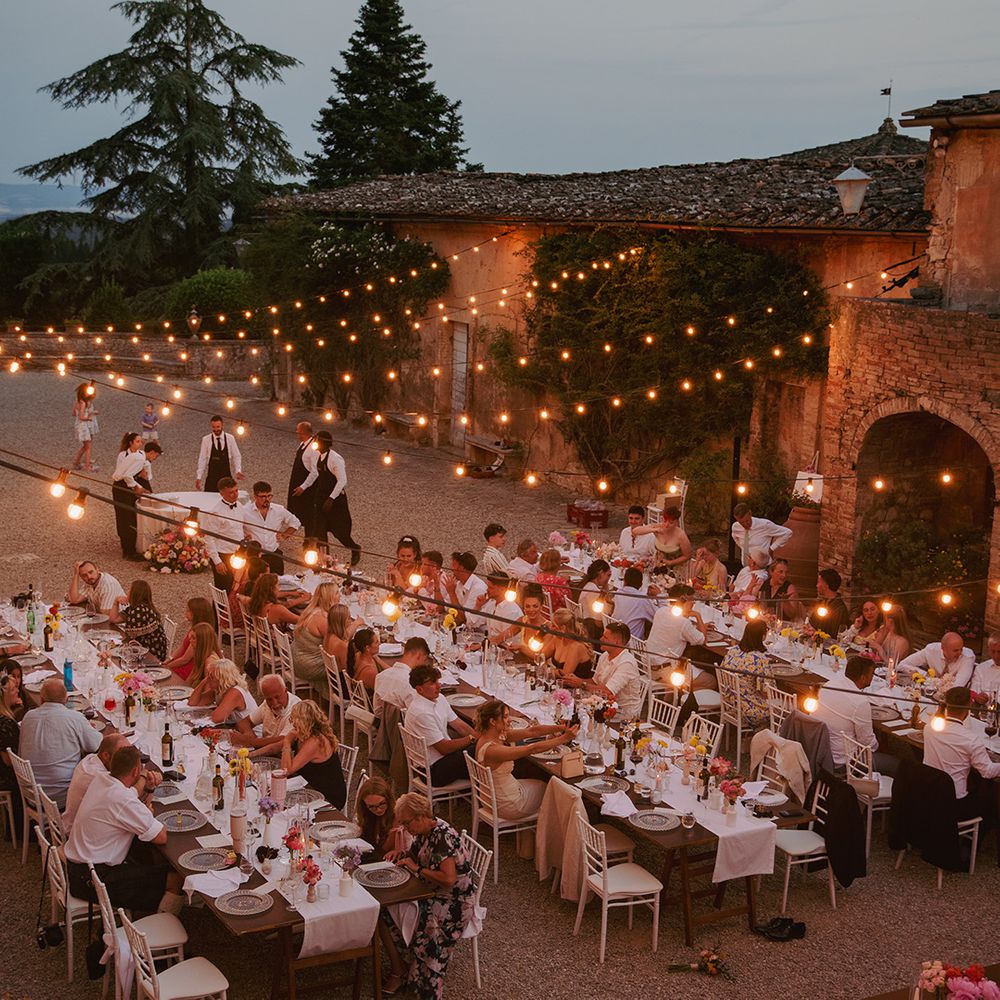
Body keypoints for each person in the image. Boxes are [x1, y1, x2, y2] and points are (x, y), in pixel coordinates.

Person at [65, 745, 184, 914]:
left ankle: (148, 901)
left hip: (79, 868)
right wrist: (146, 813)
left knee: (149, 852)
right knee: (175, 878)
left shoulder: (102, 780)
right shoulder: (122, 800)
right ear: (136, 771)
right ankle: (162, 924)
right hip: (94, 880)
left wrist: (147, 787)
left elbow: (132, 794)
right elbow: (161, 837)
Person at [382, 792, 478, 1000]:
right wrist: (402, 855)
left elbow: (448, 878)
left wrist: (416, 869)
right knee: (388, 910)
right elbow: (415, 855)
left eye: (407, 823)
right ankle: (411, 969)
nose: (406, 829)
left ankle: (426, 988)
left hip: (455, 902)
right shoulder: (425, 831)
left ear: (419, 816)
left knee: (426, 927)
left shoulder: (442, 836)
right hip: (432, 893)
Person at [474, 699, 575, 820]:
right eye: (505, 717)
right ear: (493, 721)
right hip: (508, 804)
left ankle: (530, 832)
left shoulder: (491, 737)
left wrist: (561, 727)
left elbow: (532, 731)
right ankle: (551, 830)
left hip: (491, 798)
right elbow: (531, 749)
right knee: (556, 792)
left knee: (545, 784)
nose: (510, 720)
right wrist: (564, 738)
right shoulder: (492, 750)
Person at [18, 678, 101, 808]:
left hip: (32, 794)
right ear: (66, 700)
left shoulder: (28, 717)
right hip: (63, 796)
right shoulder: (75, 718)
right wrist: (88, 728)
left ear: (41, 699)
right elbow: (96, 745)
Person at [812, 655, 898, 776]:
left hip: (820, 751)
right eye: (872, 674)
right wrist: (881, 746)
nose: (873, 678)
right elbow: (867, 743)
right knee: (898, 765)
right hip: (843, 761)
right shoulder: (860, 703)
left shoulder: (829, 685)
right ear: (863, 678)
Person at [924, 687, 1000, 820]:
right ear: (969, 705)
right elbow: (987, 772)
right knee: (990, 807)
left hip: (928, 792)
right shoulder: (970, 739)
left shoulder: (929, 727)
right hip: (953, 803)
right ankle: (968, 839)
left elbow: (938, 719)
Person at [403, 665, 476, 785]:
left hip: (444, 759)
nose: (439, 685)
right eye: (432, 683)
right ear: (419, 689)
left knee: (484, 748)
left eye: (437, 681)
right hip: (432, 771)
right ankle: (492, 790)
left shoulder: (440, 698)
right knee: (482, 752)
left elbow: (460, 726)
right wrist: (472, 738)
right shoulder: (421, 712)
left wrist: (480, 737)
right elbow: (444, 748)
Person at [301, 430, 361, 566]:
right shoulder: (318, 456)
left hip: (335, 501)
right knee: (320, 531)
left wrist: (331, 498)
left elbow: (342, 481)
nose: (315, 444)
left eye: (317, 441)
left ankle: (355, 548)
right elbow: (316, 473)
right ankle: (325, 559)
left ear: (325, 443)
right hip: (322, 499)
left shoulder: (335, 459)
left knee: (340, 532)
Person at [280, 700, 346, 809]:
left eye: (294, 719)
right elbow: (279, 753)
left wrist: (286, 742)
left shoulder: (315, 741)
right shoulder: (304, 735)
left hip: (327, 796)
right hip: (309, 788)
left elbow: (285, 771)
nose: (292, 723)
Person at [62, 733, 133, 833]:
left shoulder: (90, 759)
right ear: (105, 755)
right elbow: (127, 794)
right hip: (76, 833)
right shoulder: (99, 777)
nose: (127, 761)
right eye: (122, 756)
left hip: (73, 821)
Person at [584, 621, 644, 719]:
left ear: (616, 642)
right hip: (604, 706)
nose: (600, 639)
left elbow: (607, 692)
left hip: (623, 716)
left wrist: (581, 684)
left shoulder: (626, 663)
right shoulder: (605, 656)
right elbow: (595, 682)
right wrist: (576, 680)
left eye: (605, 637)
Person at [718, 619, 771, 727]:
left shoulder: (732, 650)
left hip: (730, 703)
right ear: (762, 636)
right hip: (748, 710)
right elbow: (768, 691)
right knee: (782, 708)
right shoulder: (759, 659)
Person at [231, 675, 301, 755]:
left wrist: (250, 742)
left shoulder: (296, 709)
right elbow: (244, 722)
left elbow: (284, 740)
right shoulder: (266, 704)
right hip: (263, 751)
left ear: (286, 690)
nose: (274, 703)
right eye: (269, 699)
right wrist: (249, 735)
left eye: (277, 697)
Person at [242, 480, 301, 574]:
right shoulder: (245, 511)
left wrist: (284, 535)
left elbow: (295, 522)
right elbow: (236, 527)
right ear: (255, 497)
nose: (267, 499)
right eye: (263, 496)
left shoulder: (279, 510)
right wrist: (244, 536)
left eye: (269, 496)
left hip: (274, 555)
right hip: (254, 557)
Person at [291, 581, 341, 685]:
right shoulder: (323, 618)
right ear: (329, 597)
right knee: (346, 659)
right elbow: (337, 643)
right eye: (336, 593)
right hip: (309, 667)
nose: (339, 595)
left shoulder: (311, 610)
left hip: (297, 659)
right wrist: (356, 625)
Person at [203, 477, 248, 592]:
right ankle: (218, 610)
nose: (235, 494)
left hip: (239, 553)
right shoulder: (216, 512)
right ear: (222, 494)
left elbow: (241, 527)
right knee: (224, 589)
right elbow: (209, 538)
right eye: (231, 492)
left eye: (236, 491)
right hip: (223, 555)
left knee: (239, 587)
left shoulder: (240, 506)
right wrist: (217, 562)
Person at [111, 432, 151, 560]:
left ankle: (134, 546)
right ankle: (126, 548)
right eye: (137, 441)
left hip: (133, 486)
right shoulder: (123, 455)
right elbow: (123, 473)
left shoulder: (141, 456)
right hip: (125, 487)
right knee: (124, 517)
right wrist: (136, 484)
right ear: (131, 443)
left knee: (134, 516)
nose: (140, 444)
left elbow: (147, 474)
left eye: (141, 441)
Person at [108, 579, 168, 660]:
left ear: (134, 594)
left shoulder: (140, 610)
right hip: (144, 648)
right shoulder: (135, 607)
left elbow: (129, 637)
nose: (127, 592)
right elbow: (113, 619)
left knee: (114, 655)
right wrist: (116, 602)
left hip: (151, 653)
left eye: (130, 590)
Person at [373, 637, 432, 717]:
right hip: (402, 726)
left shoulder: (380, 676)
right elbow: (417, 715)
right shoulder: (412, 685)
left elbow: (377, 711)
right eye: (424, 660)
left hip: (380, 724)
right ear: (418, 656)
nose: (424, 665)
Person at [188, 658, 258, 725]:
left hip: (253, 732)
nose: (208, 679)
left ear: (222, 680)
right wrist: (204, 681)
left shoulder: (235, 692)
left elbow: (216, 718)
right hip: (238, 727)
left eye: (211, 677)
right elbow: (192, 702)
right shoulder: (220, 688)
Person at [161, 599, 217, 681]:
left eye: (188, 611)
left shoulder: (199, 634)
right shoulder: (193, 628)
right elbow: (182, 647)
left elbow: (185, 659)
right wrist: (170, 659)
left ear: (195, 614)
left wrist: (168, 667)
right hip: (180, 663)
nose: (185, 613)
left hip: (187, 669)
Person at [355, 776, 408, 861]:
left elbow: (386, 849)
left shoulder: (397, 815)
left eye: (382, 804)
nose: (378, 810)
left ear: (388, 799)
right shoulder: (367, 814)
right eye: (371, 806)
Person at [899, 632, 976, 691]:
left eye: (961, 649)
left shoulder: (968, 657)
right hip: (928, 691)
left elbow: (957, 687)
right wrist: (923, 675)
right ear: (943, 648)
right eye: (955, 650)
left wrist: (929, 680)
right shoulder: (931, 650)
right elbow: (902, 665)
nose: (960, 653)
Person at [630, 505, 691, 575]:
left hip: (674, 570)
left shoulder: (681, 535)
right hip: (657, 567)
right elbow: (635, 531)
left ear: (676, 522)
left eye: (671, 522)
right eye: (665, 521)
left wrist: (671, 562)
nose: (667, 525)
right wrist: (653, 530)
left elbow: (687, 556)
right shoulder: (658, 527)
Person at [731, 503, 793, 568]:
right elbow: (735, 538)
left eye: (747, 521)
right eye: (742, 523)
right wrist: (743, 547)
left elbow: (787, 532)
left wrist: (772, 548)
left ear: (750, 513)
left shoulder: (764, 525)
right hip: (745, 567)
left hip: (763, 567)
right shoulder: (735, 527)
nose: (745, 524)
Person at [195, 414, 243, 492]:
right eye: (213, 427)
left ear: (222, 425)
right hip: (212, 478)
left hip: (226, 477)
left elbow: (236, 455)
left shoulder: (230, 438)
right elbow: (202, 459)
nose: (216, 429)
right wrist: (199, 477)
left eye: (218, 427)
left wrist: (238, 470)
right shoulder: (206, 440)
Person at [493, 584, 547, 653]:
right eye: (527, 606)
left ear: (541, 606)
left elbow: (543, 655)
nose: (531, 610)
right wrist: (481, 645)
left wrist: (521, 648)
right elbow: (499, 638)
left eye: (535, 606)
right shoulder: (523, 620)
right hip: (522, 662)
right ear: (523, 607)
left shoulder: (547, 626)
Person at [543, 609, 594, 681]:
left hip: (576, 689)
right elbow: (541, 657)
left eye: (554, 626)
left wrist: (548, 670)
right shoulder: (557, 640)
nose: (551, 628)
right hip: (559, 684)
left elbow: (565, 675)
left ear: (563, 628)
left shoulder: (576, 647)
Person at [0, 668, 23, 827]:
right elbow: (8, 761)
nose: (18, 690)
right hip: (5, 775)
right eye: (14, 689)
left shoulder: (5, 716)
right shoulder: (5, 724)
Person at [611, 567, 658, 640]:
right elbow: (660, 616)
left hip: (613, 636)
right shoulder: (642, 599)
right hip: (631, 643)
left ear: (624, 581)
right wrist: (659, 596)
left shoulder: (618, 593)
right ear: (641, 585)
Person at [444, 551, 488, 628]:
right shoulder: (458, 584)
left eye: (453, 565)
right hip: (461, 626)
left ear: (462, 568)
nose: (451, 569)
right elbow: (446, 606)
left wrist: (452, 593)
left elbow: (463, 617)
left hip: (477, 631)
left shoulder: (478, 588)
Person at [805, 569, 850, 636]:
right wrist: (809, 629)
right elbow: (812, 623)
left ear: (825, 585)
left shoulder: (839, 609)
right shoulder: (821, 603)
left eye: (818, 582)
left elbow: (835, 636)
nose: (816, 585)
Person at [286, 420, 316, 524]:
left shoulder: (313, 448)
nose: (296, 432)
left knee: (307, 513)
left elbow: (315, 472)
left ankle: (309, 537)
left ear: (303, 432)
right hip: (296, 480)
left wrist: (303, 487)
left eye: (298, 430)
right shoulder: (302, 444)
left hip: (305, 486)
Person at [481, 574, 523, 642]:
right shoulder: (491, 604)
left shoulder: (511, 611)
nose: (487, 590)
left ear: (502, 589)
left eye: (491, 587)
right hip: (491, 645)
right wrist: (478, 606)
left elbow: (507, 640)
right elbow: (474, 623)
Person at [71, 381, 99, 472]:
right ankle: (87, 466)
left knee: (85, 446)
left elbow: (73, 413)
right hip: (83, 426)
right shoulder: (83, 403)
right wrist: (90, 417)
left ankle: (76, 461)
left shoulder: (78, 401)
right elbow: (81, 417)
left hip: (81, 426)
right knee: (88, 447)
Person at [323, 605, 357, 672]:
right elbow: (348, 670)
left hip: (334, 672)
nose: (351, 621)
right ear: (341, 622)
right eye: (349, 618)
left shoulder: (329, 635)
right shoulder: (342, 645)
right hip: (343, 679)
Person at [973, 634, 1000, 698]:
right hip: (984, 707)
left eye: (999, 652)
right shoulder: (981, 669)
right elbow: (974, 691)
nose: (996, 656)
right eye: (993, 651)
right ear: (988, 650)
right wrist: (978, 698)